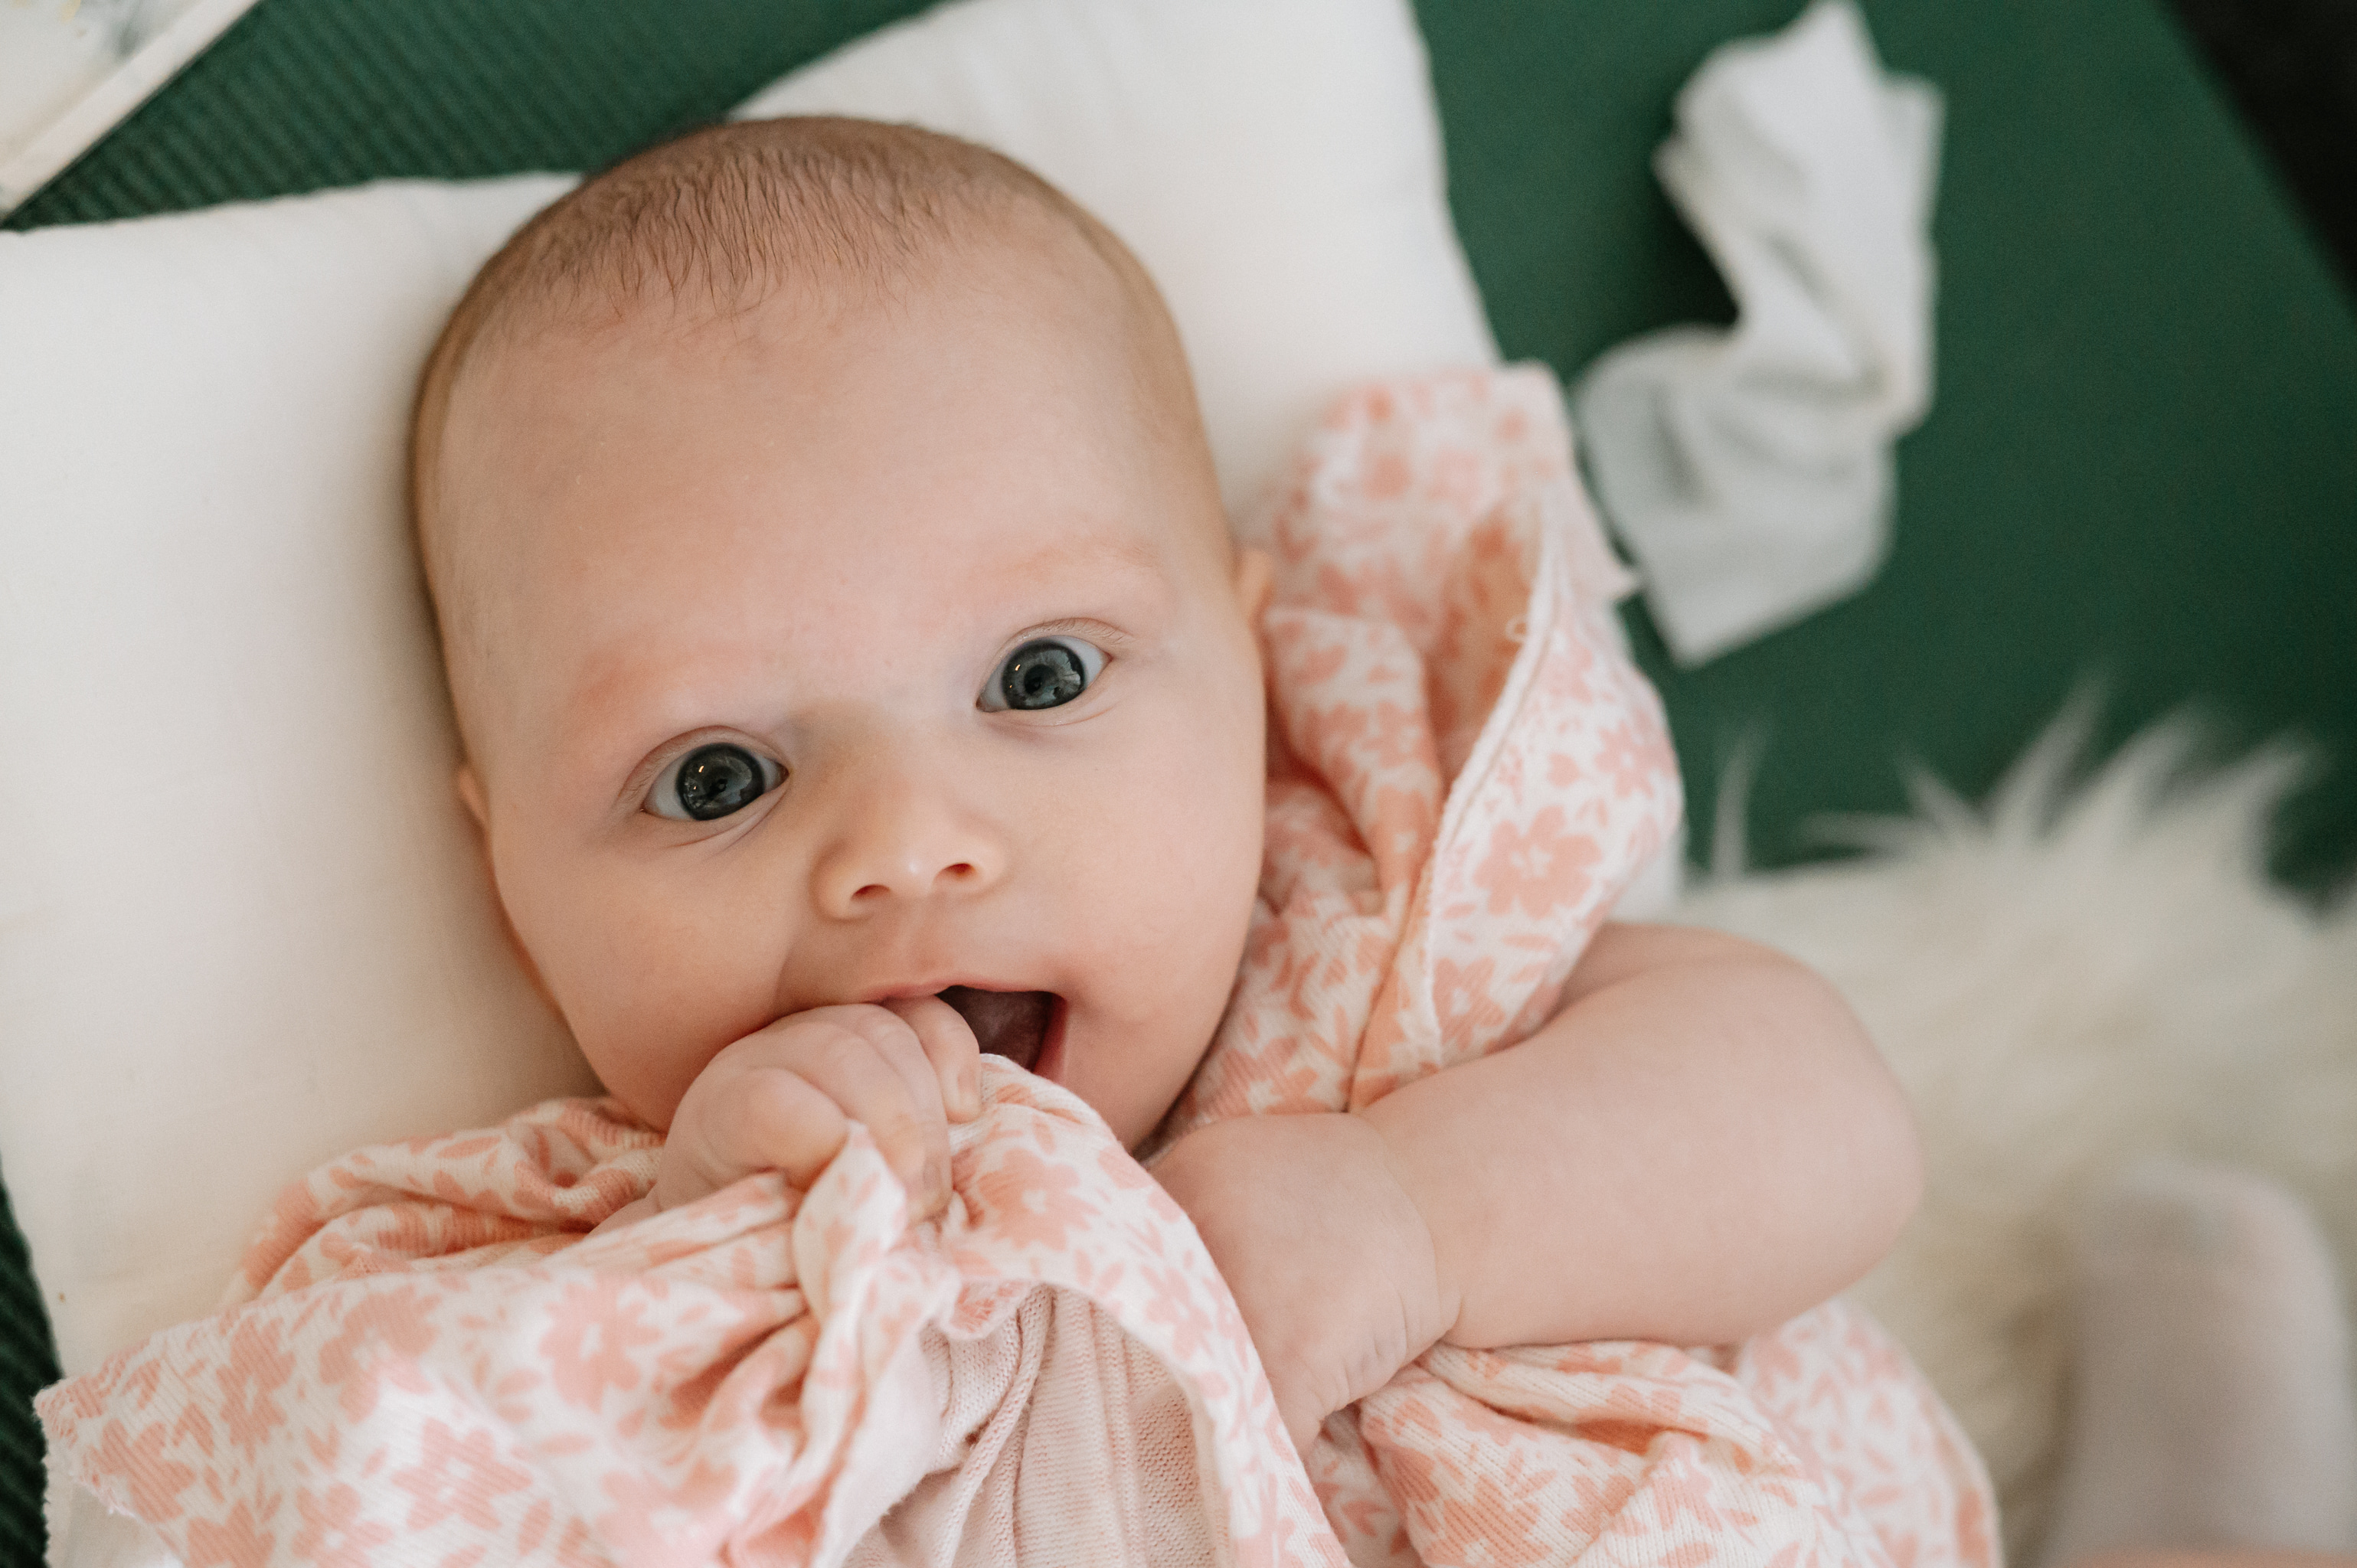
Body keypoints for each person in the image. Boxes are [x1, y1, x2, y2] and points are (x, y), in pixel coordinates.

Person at [407, 113, 1927, 1459]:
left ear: (1249, 674)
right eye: (716, 775)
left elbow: (1831, 1117)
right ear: (511, 889)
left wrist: (1420, 1208)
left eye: (1041, 678)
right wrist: (706, 1283)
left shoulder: (1375, 935)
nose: (905, 844)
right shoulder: (548, 1266)